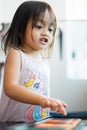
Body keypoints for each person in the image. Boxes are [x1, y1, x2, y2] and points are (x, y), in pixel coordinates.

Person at [0, 1, 67, 122]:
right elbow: (10, 88)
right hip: (13, 124)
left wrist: (50, 103)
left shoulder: (45, 63)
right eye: (39, 26)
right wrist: (42, 100)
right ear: (20, 30)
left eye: (50, 29)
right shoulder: (16, 54)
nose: (45, 32)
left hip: (38, 122)